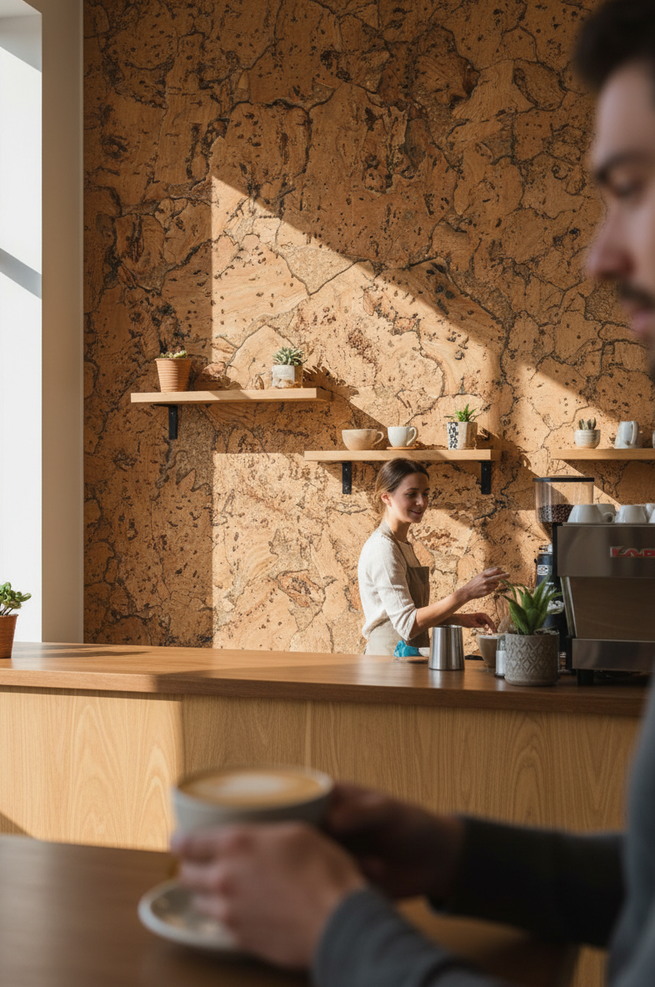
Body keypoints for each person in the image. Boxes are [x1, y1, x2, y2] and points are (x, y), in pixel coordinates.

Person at [173, 2, 655, 984]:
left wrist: (338, 931)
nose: (598, 254)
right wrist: (458, 854)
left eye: (637, 188)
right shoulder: (379, 550)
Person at [358, 459, 505, 656]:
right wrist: (466, 593)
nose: (422, 502)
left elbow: (408, 613)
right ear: (386, 497)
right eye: (411, 494)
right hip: (386, 665)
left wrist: (458, 619)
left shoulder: (401, 545)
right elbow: (407, 625)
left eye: (425, 493)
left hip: (406, 659)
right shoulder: (383, 549)